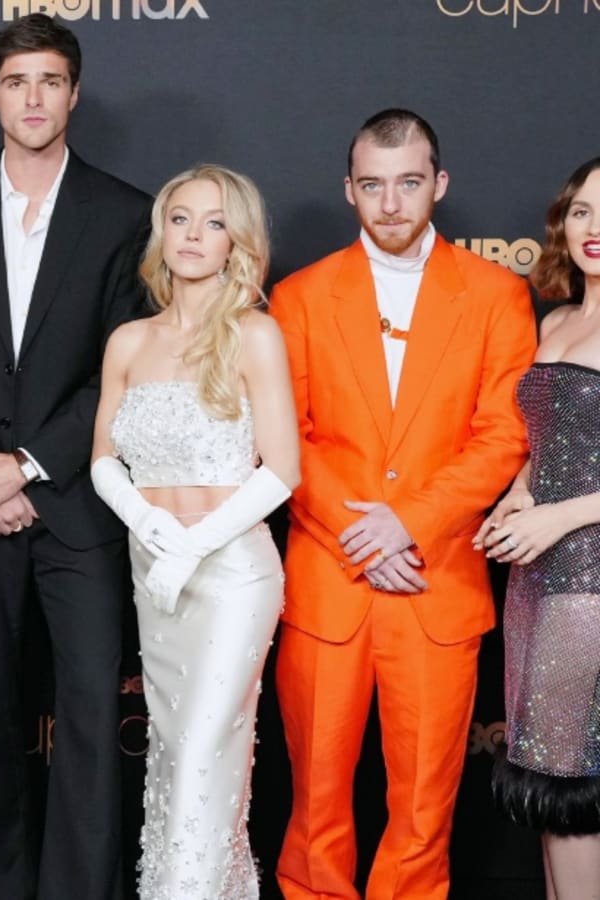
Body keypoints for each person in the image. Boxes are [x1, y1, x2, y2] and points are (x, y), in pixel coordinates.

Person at [0, 13, 150, 899]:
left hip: (79, 504)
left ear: (74, 93)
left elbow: (124, 367)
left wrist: (33, 465)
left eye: (51, 81)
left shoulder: (125, 211)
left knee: (91, 714)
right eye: (18, 83)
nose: (34, 98)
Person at [270, 108, 536, 899]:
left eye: (409, 183)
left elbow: (503, 436)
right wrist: (366, 538)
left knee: (424, 808)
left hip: (436, 580)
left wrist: (408, 524)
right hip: (331, 585)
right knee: (315, 804)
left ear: (439, 185)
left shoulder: (496, 295)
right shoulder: (300, 296)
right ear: (349, 190)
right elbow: (289, 438)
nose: (391, 204)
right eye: (374, 186)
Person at [90, 164, 298, 898]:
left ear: (235, 242)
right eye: (180, 218)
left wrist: (191, 543)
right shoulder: (128, 341)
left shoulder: (254, 335)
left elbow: (281, 472)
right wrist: (152, 527)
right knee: (176, 754)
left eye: (214, 223)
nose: (193, 235)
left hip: (232, 575)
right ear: (161, 230)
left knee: (206, 750)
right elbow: (102, 462)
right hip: (157, 579)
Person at [481, 156, 600, 900]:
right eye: (584, 211)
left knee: (569, 788)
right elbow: (549, 438)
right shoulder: (555, 318)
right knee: (550, 786)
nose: (597, 228)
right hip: (536, 576)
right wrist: (518, 496)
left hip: (590, 575)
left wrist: (558, 515)